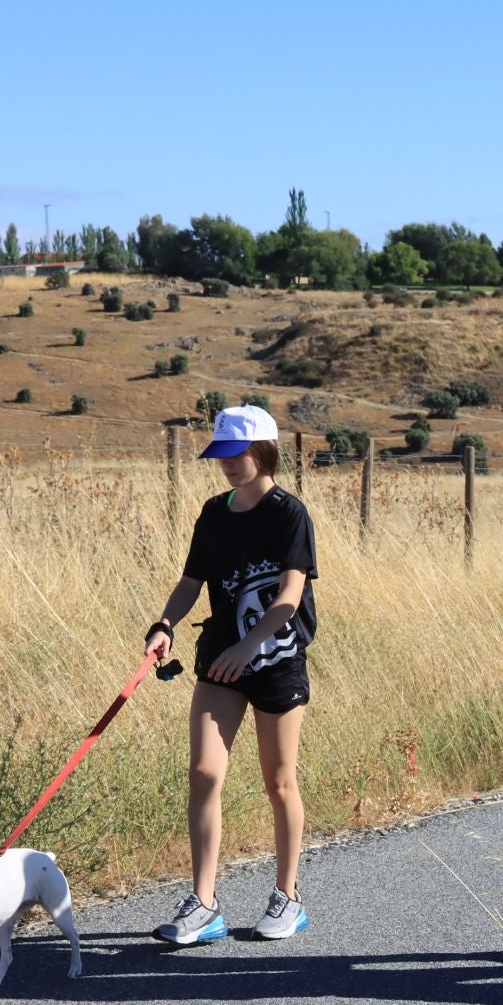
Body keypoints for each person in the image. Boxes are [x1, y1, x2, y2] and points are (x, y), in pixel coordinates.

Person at [145, 405, 318, 945]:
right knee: (203, 773)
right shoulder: (214, 513)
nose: (226, 465)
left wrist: (251, 646)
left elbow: (290, 596)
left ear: (263, 452)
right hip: (222, 657)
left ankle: (287, 898)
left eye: (235, 454)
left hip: (276, 658)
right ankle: (203, 903)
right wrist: (164, 623)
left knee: (279, 780)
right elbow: (191, 580)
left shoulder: (290, 513)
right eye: (219, 455)